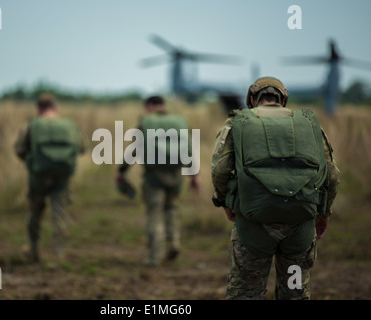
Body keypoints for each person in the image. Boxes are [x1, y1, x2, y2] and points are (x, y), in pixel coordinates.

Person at [211, 77, 340, 300]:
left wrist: (225, 202)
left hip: (253, 227)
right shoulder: (308, 124)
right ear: (284, 99)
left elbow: (220, 170)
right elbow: (333, 175)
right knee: (294, 291)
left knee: (246, 292)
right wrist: (324, 214)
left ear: (252, 99)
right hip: (299, 229)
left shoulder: (237, 123)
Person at [116, 95, 200, 266]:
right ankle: (174, 243)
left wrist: (122, 170)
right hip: (176, 175)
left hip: (153, 176)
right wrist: (194, 176)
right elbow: (189, 148)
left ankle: (154, 256)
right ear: (163, 105)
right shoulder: (179, 122)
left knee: (154, 214)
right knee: (171, 209)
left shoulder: (146, 122)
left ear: (149, 105)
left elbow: (134, 150)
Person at [14, 93, 86, 262]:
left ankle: (34, 250)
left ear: (38, 108)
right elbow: (82, 147)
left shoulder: (32, 125)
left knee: (35, 212)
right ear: (55, 107)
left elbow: (19, 149)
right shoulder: (70, 125)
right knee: (59, 213)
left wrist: (32, 162)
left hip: (38, 176)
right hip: (62, 176)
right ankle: (59, 252)